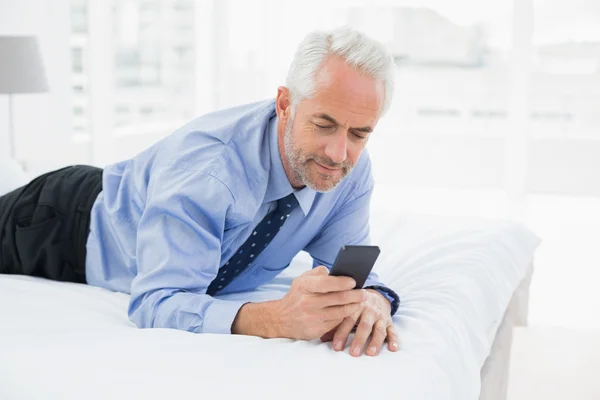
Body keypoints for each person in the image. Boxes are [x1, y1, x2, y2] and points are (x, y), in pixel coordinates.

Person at [0, 26, 399, 357]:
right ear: (284, 104)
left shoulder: (349, 169)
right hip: (60, 221)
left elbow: (353, 273)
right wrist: (275, 318)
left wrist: (375, 301)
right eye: (324, 124)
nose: (338, 152)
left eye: (359, 133)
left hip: (144, 198)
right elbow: (155, 301)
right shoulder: (208, 171)